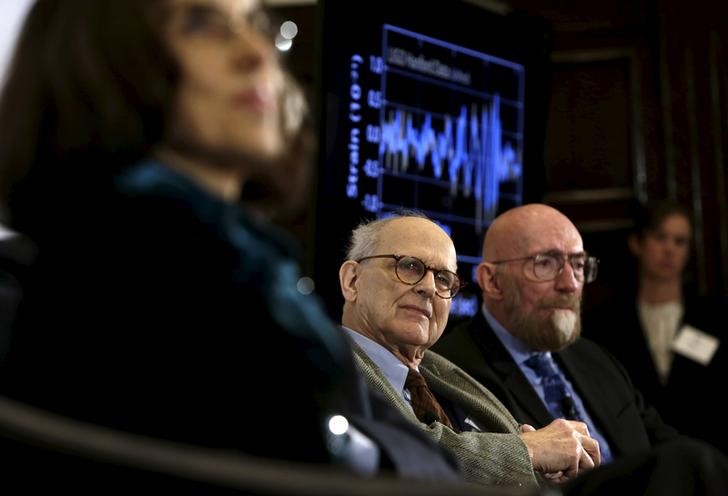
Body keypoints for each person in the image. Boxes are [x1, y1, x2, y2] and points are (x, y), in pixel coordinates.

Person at [0, 0, 465, 485]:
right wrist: (350, 445)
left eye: (257, 27)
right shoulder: (120, 273)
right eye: (201, 24)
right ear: (96, 59)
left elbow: (424, 461)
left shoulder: (256, 271)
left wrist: (352, 444)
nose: (256, 52)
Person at [338, 212, 603, 489]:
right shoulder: (320, 367)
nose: (429, 287)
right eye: (409, 266)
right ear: (352, 281)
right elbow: (403, 456)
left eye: (443, 279)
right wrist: (527, 452)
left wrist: (543, 474)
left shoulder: (443, 375)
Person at [433, 203, 678, 464]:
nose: (570, 284)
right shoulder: (450, 372)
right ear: (493, 282)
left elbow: (673, 452)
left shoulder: (596, 359)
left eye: (578, 264)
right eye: (546, 264)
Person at [583, 200, 728, 453]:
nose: (669, 249)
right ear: (637, 244)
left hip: (708, 455)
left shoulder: (714, 318)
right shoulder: (606, 323)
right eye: (660, 238)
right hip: (638, 456)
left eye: (679, 241)